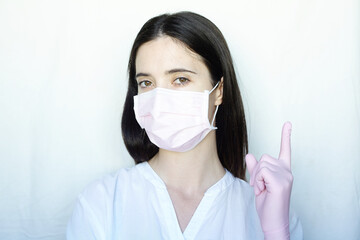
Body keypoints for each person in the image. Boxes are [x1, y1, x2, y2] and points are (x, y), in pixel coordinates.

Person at [67, 11, 303, 239]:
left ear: (218, 90)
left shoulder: (269, 210)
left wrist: (276, 234)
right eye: (147, 82)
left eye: (180, 79)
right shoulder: (101, 203)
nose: (159, 100)